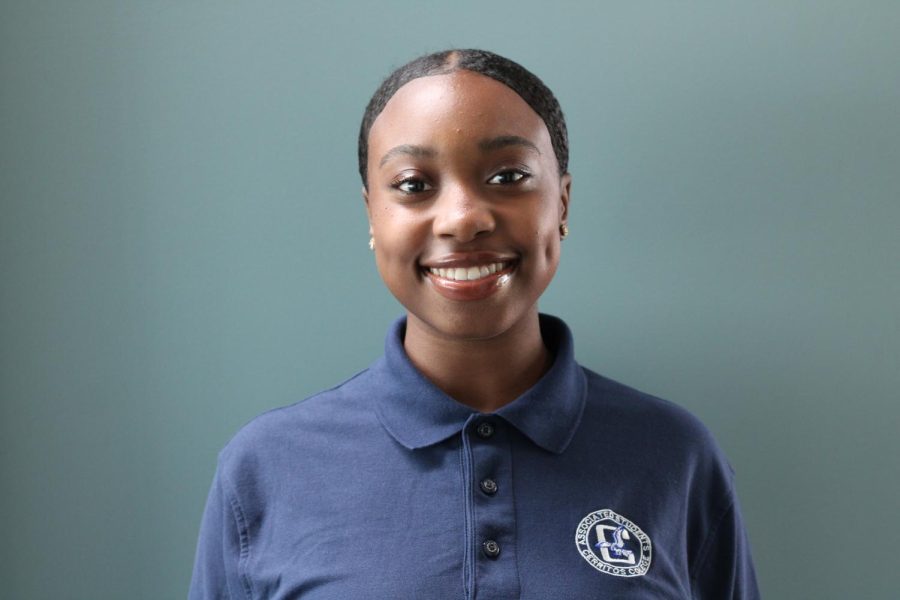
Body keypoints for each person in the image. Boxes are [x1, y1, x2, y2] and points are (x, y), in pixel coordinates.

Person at [189, 49, 759, 599]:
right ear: (372, 214)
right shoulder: (268, 466)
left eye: (508, 176)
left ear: (561, 204)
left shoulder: (674, 454)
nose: (463, 219)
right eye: (414, 185)